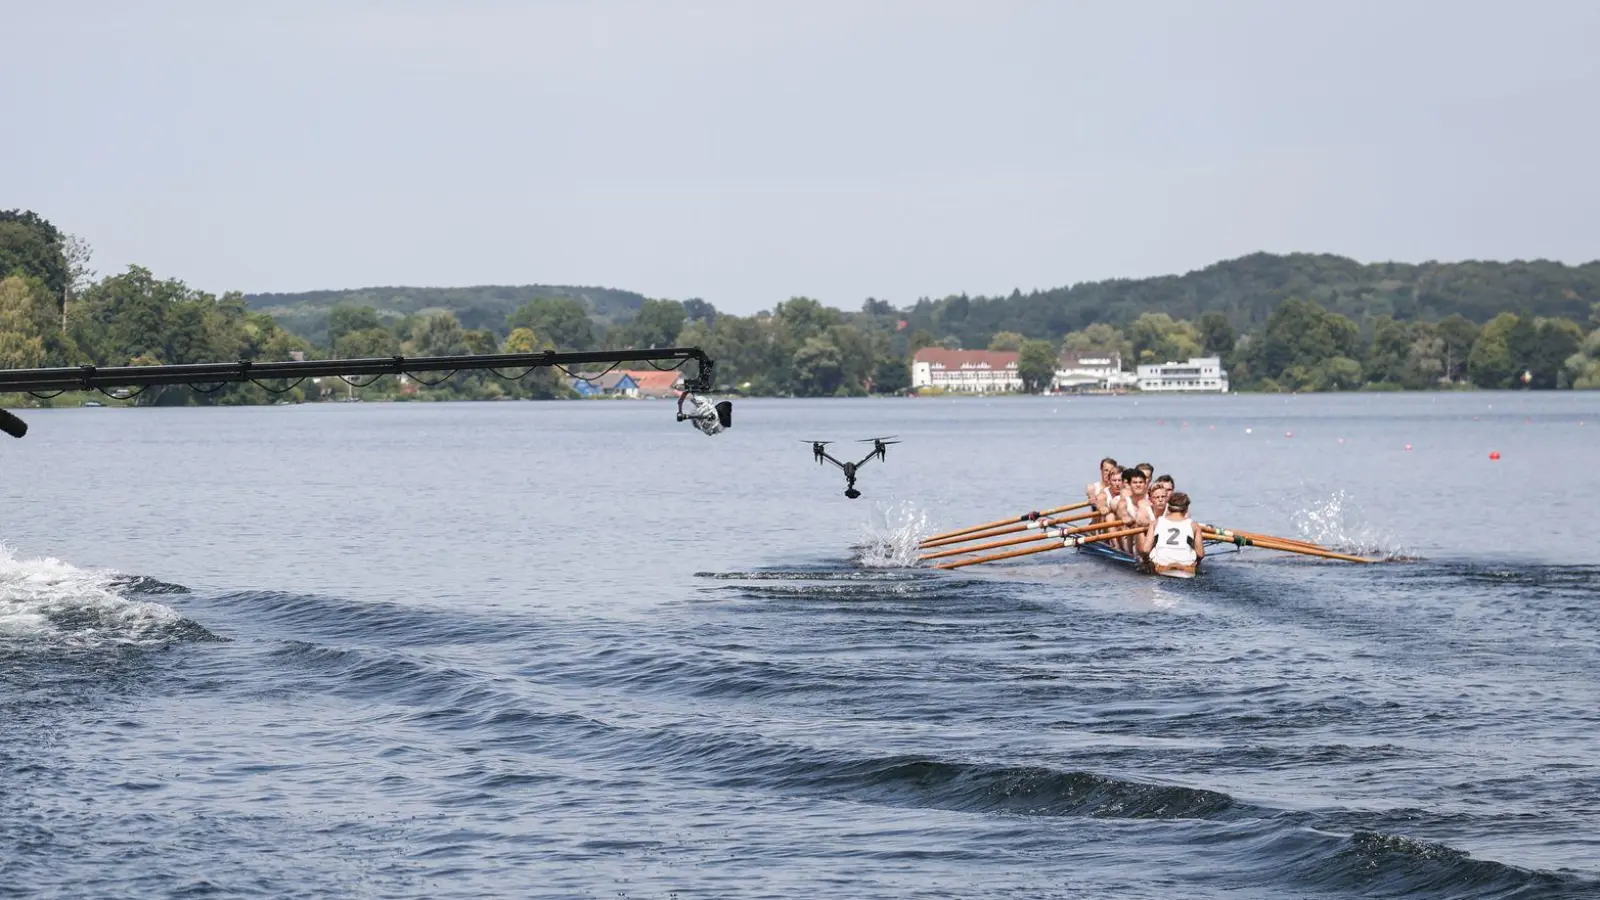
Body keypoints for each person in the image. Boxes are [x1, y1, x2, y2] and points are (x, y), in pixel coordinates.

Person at [1142, 490, 1203, 575]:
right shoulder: (1194, 525)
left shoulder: (1156, 522)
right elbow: (1200, 554)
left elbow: (1146, 550)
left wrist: (1145, 562)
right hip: (1185, 570)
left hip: (1161, 568)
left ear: (1169, 507)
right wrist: (1197, 564)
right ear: (1186, 509)